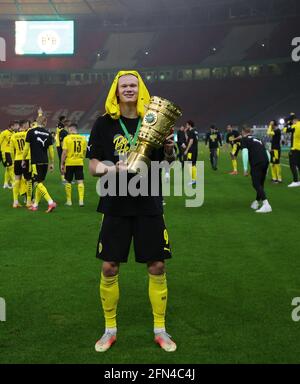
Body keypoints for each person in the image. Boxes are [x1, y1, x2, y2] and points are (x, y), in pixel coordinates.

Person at [88, 70, 177, 353]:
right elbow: (92, 167)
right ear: (116, 91)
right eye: (124, 85)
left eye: (133, 86)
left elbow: (167, 163)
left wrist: (170, 149)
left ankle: (160, 330)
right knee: (109, 266)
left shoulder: (152, 119)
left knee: (157, 266)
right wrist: (114, 169)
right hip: (115, 203)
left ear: (140, 91)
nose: (128, 90)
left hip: (148, 201)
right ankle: (109, 329)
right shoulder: (103, 124)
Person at [22, 111, 57, 213]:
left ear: (36, 121)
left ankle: (50, 202)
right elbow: (51, 151)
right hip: (45, 162)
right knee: (40, 183)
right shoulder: (48, 134)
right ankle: (35, 205)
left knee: (37, 183)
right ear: (45, 123)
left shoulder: (31, 132)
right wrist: (52, 163)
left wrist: (24, 159)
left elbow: (26, 148)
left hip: (35, 162)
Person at [241, 127, 272, 213]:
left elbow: (245, 152)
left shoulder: (244, 139)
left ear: (243, 132)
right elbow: (267, 153)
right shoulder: (258, 139)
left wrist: (245, 168)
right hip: (265, 160)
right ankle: (257, 202)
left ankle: (266, 204)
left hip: (257, 162)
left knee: (255, 183)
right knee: (260, 184)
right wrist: (267, 166)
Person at [61, 123, 87, 206]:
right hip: (79, 162)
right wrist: (80, 158)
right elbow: (84, 151)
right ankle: (81, 201)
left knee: (68, 181)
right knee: (80, 181)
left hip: (69, 163)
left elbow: (64, 152)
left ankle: (69, 201)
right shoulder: (83, 138)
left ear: (70, 129)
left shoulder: (67, 138)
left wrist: (62, 163)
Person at [10, 120, 32, 208]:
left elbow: (12, 150)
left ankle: (15, 202)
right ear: (25, 125)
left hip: (17, 159)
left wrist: (13, 159)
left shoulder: (14, 136)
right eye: (27, 124)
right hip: (27, 158)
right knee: (28, 180)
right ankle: (28, 201)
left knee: (17, 180)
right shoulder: (28, 134)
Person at [0, 121, 19, 189]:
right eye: (15, 126)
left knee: (8, 168)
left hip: (11, 152)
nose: (17, 127)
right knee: (10, 167)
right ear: (11, 126)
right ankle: (14, 182)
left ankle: (5, 183)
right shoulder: (4, 133)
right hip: (5, 152)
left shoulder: (14, 133)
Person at [283, 113, 300, 187]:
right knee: (299, 165)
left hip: (295, 148)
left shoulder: (295, 126)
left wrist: (287, 124)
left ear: (294, 120)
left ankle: (295, 181)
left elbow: (284, 130)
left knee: (292, 164)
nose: (291, 122)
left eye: (291, 120)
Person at [184, 120, 198, 185]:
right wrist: (185, 132)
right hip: (194, 149)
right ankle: (194, 179)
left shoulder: (191, 131)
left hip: (191, 150)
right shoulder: (194, 131)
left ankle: (193, 180)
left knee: (191, 163)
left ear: (189, 125)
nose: (186, 126)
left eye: (187, 125)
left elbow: (191, 141)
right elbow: (188, 139)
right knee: (192, 163)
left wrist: (186, 150)